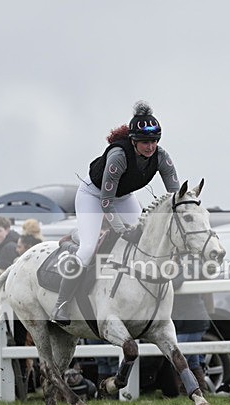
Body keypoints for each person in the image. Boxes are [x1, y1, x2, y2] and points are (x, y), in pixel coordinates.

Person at [52, 101, 180, 324]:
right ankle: (61, 303)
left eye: (154, 141)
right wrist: (121, 230)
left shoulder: (162, 157)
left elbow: (176, 195)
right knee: (88, 249)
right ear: (133, 140)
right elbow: (106, 202)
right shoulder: (118, 157)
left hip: (124, 196)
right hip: (94, 196)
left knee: (143, 238)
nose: (150, 147)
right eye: (144, 142)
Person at [171, 258, 212, 393]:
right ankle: (201, 390)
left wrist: (176, 266)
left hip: (193, 321)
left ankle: (185, 391)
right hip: (184, 321)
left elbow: (175, 283)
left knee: (179, 358)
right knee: (193, 361)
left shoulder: (193, 264)